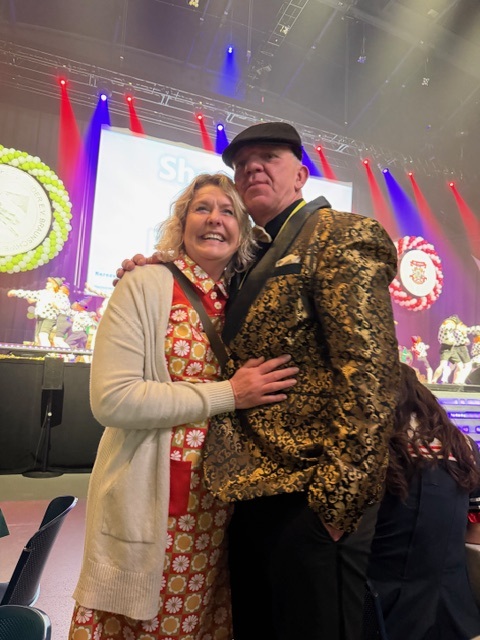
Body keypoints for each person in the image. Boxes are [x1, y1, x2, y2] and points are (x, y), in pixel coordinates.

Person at [115, 121, 400, 640]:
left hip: (311, 495)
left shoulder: (339, 233)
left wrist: (337, 504)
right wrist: (155, 267)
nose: (252, 168)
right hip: (245, 496)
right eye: (242, 164)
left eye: (268, 157)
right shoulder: (249, 259)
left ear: (301, 174)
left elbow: (371, 378)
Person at [68, 172, 299, 640]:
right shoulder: (145, 285)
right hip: (156, 501)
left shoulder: (242, 298)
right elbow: (113, 400)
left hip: (221, 508)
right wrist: (230, 393)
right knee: (146, 621)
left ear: (243, 232)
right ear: (181, 223)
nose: (215, 219)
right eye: (202, 208)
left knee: (199, 622)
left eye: (228, 211)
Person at [368, 362, 480, 640]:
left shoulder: (373, 452)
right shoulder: (464, 447)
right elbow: (475, 532)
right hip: (455, 612)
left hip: (382, 611)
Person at [7, 276, 65, 346]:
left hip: (49, 318)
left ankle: (46, 350)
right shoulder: (43, 293)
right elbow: (30, 294)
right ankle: (41, 351)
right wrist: (15, 292)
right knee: (38, 337)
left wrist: (57, 305)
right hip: (40, 317)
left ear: (54, 285)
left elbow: (64, 306)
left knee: (43, 335)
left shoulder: (59, 295)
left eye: (49, 282)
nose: (47, 283)